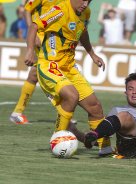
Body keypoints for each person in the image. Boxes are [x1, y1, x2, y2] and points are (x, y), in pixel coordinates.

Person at [24, 0, 113, 156]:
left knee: (95, 107)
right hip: (49, 65)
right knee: (72, 96)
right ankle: (58, 138)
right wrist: (30, 50)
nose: (85, 4)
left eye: (89, 1)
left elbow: (82, 32)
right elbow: (34, 26)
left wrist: (92, 54)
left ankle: (105, 149)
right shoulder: (59, 10)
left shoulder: (85, 13)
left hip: (69, 68)